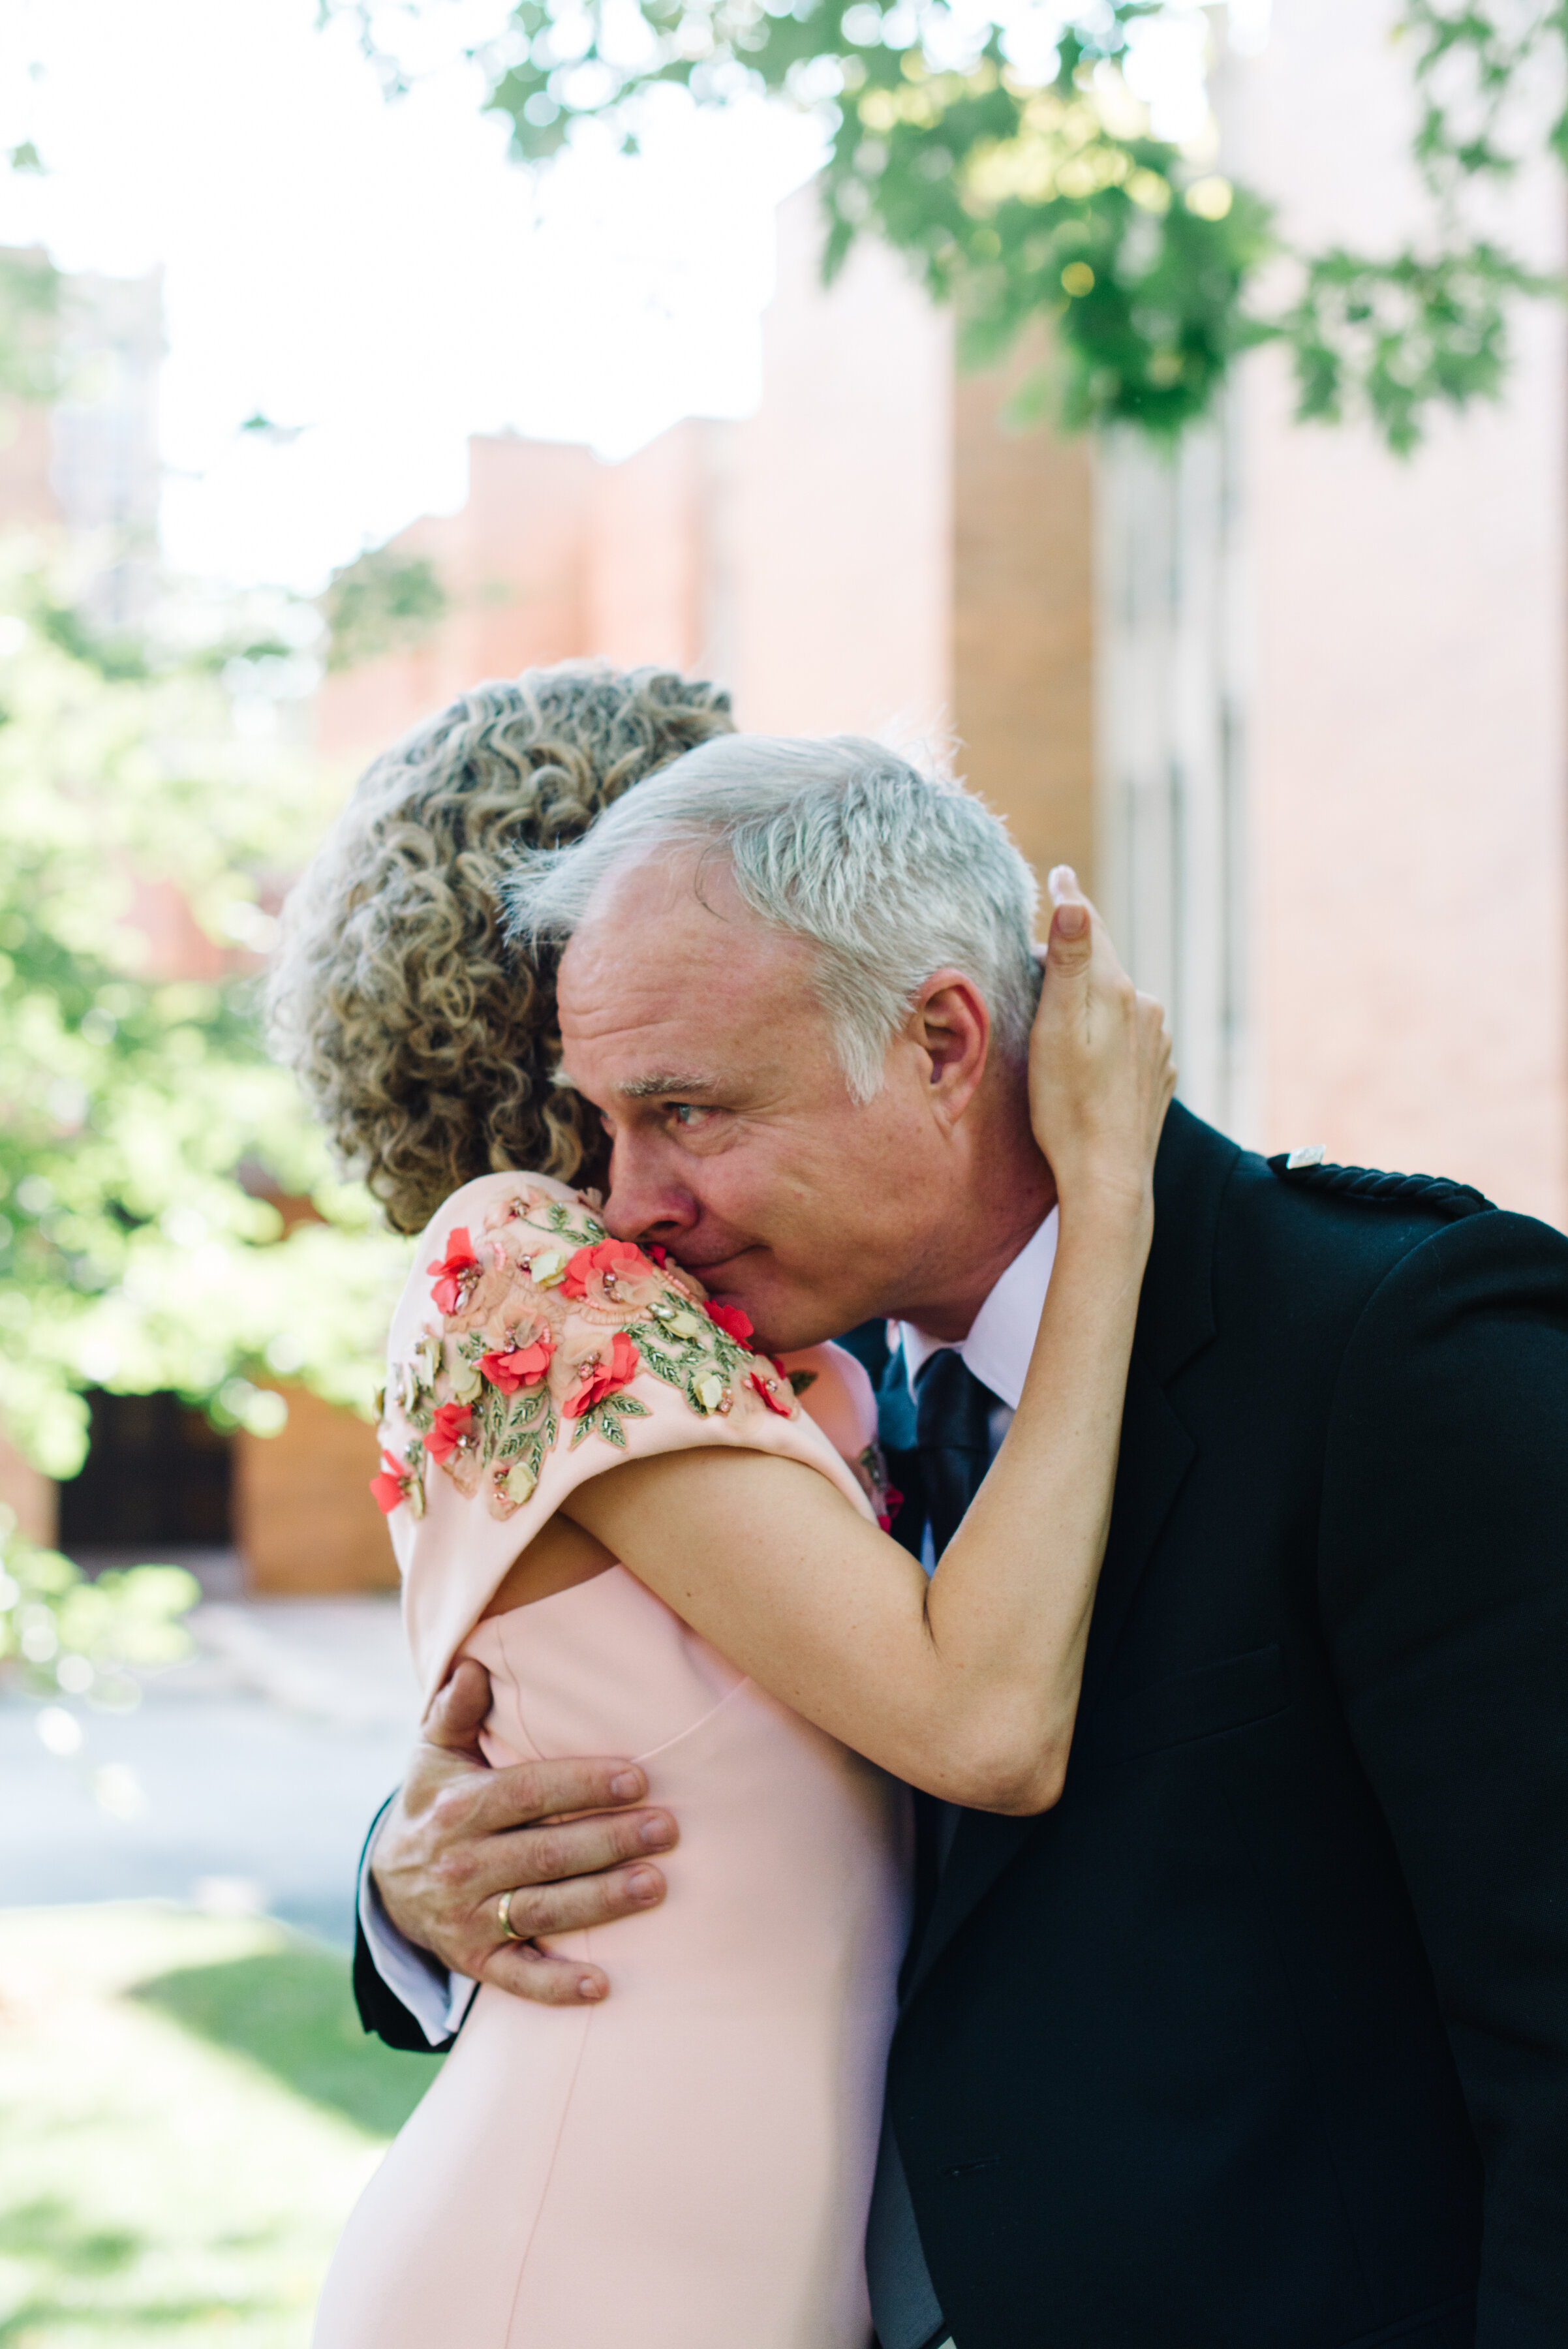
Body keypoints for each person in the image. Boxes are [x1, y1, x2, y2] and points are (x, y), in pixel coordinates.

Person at [355, 731, 1568, 2349]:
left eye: (689, 1112)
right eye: (607, 1122)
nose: (631, 1201)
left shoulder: (1395, 1349)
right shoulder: (779, 1383)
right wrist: (405, 1873)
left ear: (937, 1041)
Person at [273, 679, 1172, 2348]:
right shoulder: (524, 1274)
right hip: (581, 2278)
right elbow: (972, 1722)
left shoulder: (802, 1336)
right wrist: (1115, 1192)